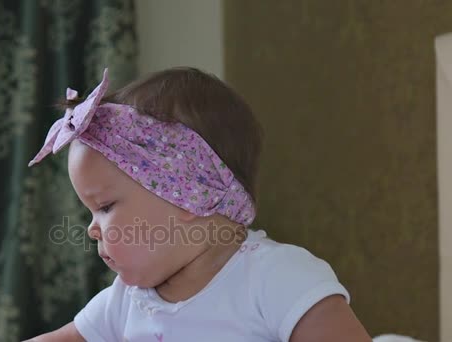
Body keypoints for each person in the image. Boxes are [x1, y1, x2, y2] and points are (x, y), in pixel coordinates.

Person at [25, 68, 371, 341]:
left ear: (187, 194)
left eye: (105, 206)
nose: (91, 228)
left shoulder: (274, 277)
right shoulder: (127, 300)